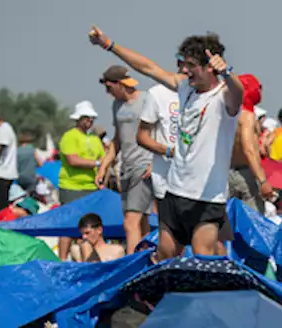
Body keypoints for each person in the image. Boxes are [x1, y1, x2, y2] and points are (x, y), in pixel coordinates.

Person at [89, 26, 243, 260]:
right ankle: (154, 295)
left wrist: (228, 73)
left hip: (208, 198)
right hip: (175, 192)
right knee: (166, 253)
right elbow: (148, 67)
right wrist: (109, 45)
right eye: (182, 64)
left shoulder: (225, 97)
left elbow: (238, 92)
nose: (183, 70)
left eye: (190, 65)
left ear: (209, 67)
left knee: (203, 256)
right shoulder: (186, 88)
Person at [96, 65, 155, 254]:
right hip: (126, 167)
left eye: (109, 88)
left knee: (130, 221)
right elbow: (117, 139)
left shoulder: (147, 100)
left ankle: (130, 265)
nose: (108, 93)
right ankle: (146, 259)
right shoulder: (117, 106)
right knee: (142, 221)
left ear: (120, 84)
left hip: (143, 165)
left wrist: (155, 162)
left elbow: (162, 132)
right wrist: (103, 166)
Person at [56, 100, 105, 260]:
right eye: (86, 117)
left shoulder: (95, 139)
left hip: (91, 188)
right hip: (71, 187)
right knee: (69, 226)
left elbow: (104, 158)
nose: (90, 121)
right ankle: (62, 260)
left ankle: (87, 259)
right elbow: (73, 160)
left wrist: (103, 172)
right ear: (78, 118)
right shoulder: (70, 136)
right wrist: (98, 163)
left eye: (92, 118)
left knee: (89, 226)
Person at [227, 73, 275, 213]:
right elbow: (249, 150)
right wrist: (263, 181)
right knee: (252, 221)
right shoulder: (247, 116)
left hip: (224, 172)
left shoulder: (226, 113)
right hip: (245, 173)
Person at [135, 81, 178, 215]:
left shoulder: (214, 93)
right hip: (167, 181)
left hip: (201, 184)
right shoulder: (158, 93)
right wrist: (168, 151)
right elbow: (142, 136)